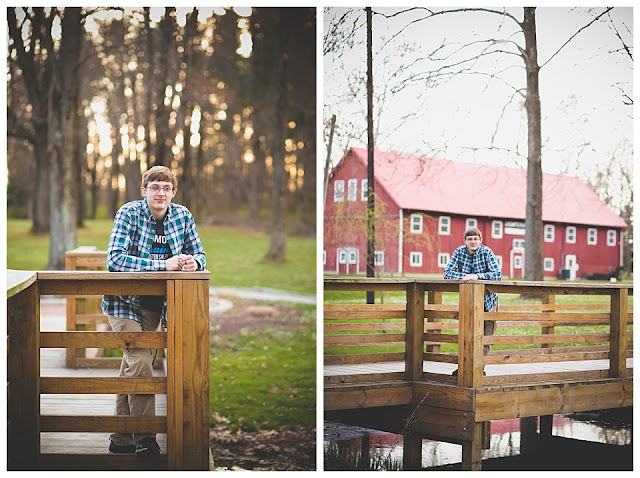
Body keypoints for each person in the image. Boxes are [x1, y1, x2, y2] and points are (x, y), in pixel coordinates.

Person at [102, 165, 206, 455]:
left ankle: (120, 441)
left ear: (173, 192)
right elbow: (115, 260)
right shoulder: (129, 213)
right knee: (142, 364)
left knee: (132, 365)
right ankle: (146, 438)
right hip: (123, 302)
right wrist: (164, 265)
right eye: (154, 187)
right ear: (143, 190)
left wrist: (193, 263)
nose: (160, 192)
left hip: (156, 307)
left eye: (166, 188)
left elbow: (200, 253)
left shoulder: (183, 216)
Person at [443, 227, 502, 375]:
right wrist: (466, 276)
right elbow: (447, 273)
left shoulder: (486, 252)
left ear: (480, 241)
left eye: (475, 239)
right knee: (467, 335)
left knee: (485, 337)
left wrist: (476, 276)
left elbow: (497, 275)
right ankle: (464, 367)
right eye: (469, 239)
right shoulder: (459, 252)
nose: (473, 241)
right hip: (468, 301)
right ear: (465, 241)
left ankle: (478, 369)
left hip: (488, 302)